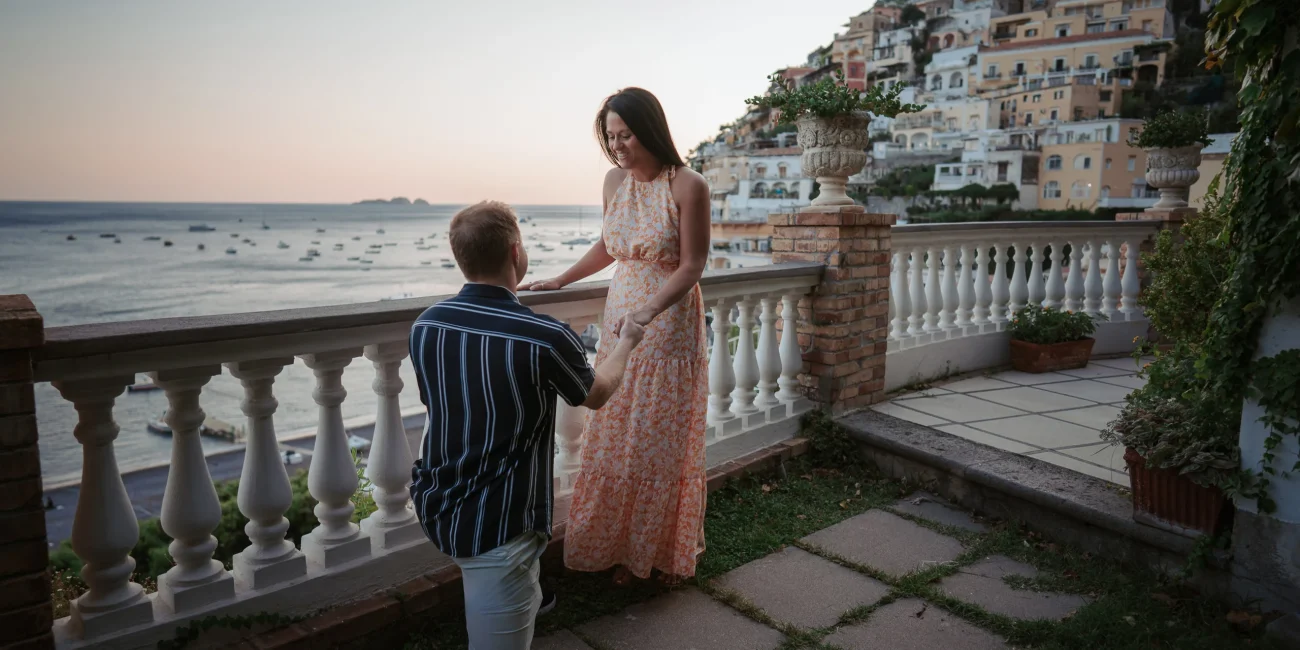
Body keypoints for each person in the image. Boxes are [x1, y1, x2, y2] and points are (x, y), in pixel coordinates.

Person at [409, 201, 644, 650]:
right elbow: (596, 393)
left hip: (437, 500)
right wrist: (626, 341)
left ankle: (530, 593)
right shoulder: (543, 336)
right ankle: (523, 594)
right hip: (498, 525)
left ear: (461, 257)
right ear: (517, 253)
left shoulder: (426, 324)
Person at [521, 87, 711, 585]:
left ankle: (653, 554)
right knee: (616, 430)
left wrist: (649, 310)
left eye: (625, 134)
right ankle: (618, 545)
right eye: (610, 137)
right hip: (620, 314)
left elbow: (692, 265)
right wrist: (561, 279)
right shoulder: (613, 182)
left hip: (666, 319)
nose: (618, 145)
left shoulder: (688, 185)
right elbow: (609, 244)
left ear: (650, 130)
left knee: (654, 435)